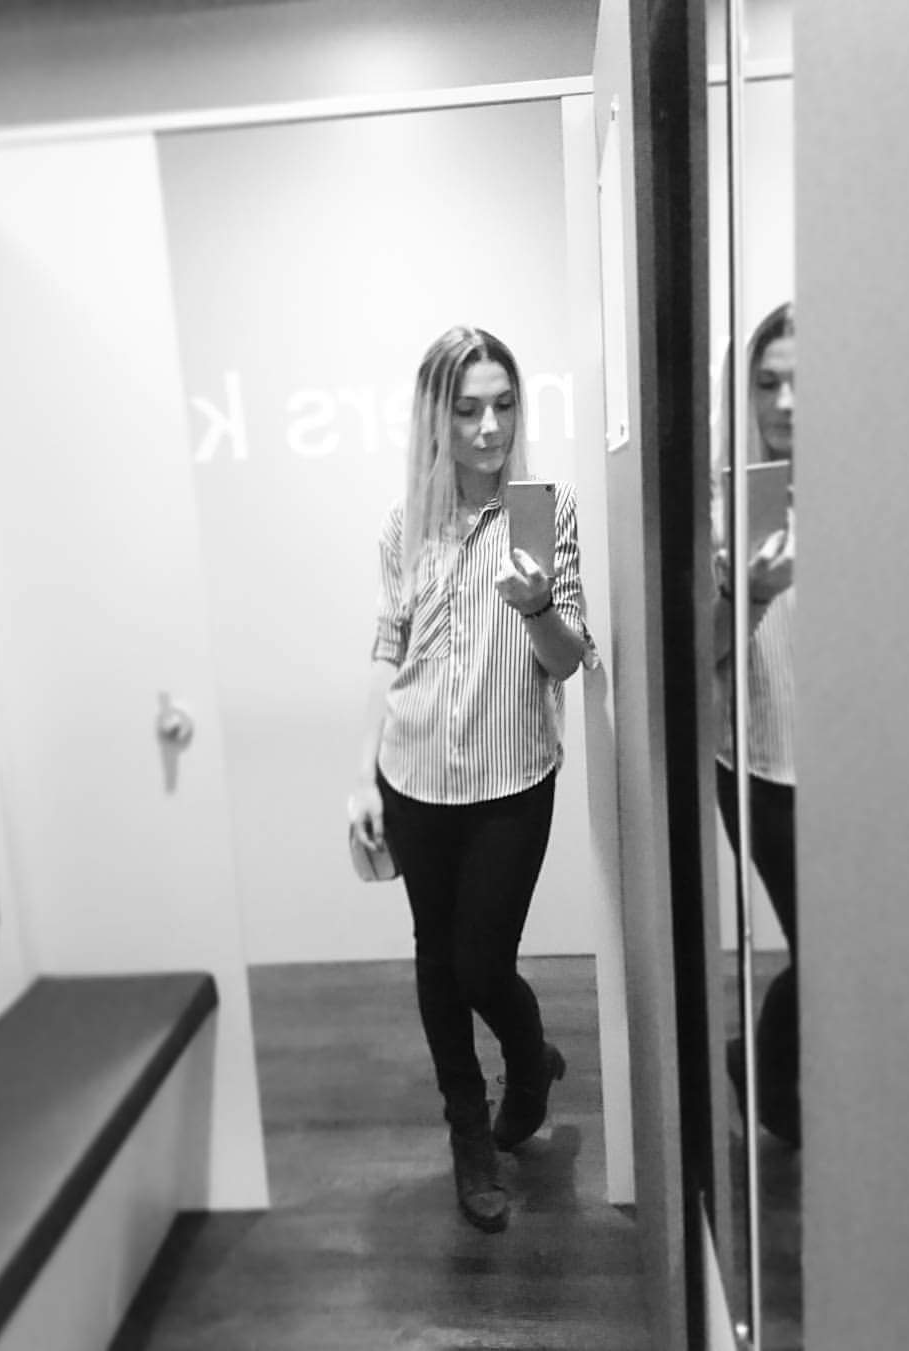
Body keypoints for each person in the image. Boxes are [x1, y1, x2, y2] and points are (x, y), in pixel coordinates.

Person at [348, 325, 593, 1233]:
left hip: (512, 776)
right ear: (436, 418)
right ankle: (468, 1132)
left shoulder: (546, 513)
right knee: (435, 960)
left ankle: (528, 1064)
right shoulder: (403, 525)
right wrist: (362, 776)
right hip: (413, 774)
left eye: (504, 405)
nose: (491, 427)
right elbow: (389, 650)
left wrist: (536, 608)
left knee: (482, 962)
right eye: (468, 410)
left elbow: (567, 659)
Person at [713, 302, 800, 1148]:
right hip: (761, 764)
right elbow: (699, 656)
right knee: (825, 944)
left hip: (863, 759)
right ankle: (769, 1075)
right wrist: (750, 593)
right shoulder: (722, 508)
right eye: (769, 382)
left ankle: (762, 1062)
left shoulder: (877, 494)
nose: (785, 402)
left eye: (803, 381)